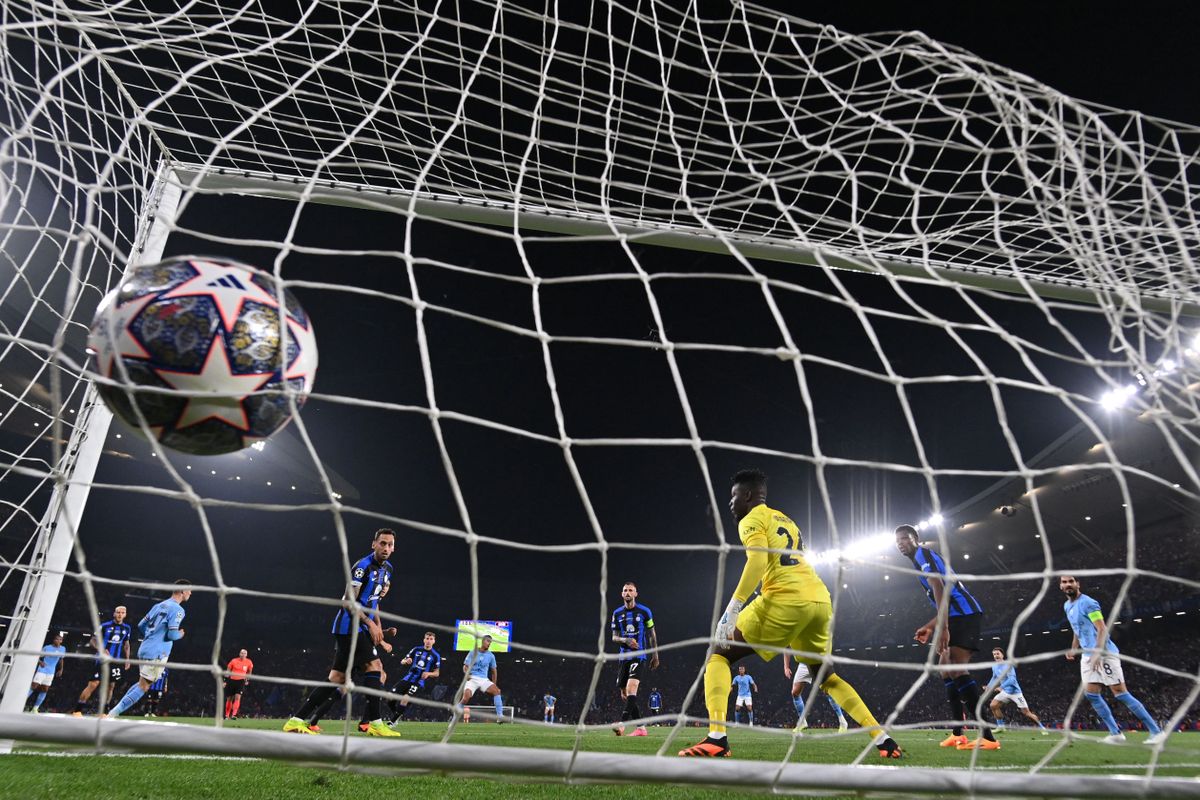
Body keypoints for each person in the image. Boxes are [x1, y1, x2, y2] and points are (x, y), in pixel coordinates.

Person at [682, 469, 900, 758]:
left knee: (718, 653)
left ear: (748, 495)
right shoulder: (785, 520)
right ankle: (883, 739)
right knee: (827, 677)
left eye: (734, 497)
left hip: (785, 599)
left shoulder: (751, 518)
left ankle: (717, 737)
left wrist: (732, 607)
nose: (731, 503)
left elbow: (757, 560)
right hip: (820, 601)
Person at [283, 528, 398, 737]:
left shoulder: (388, 570)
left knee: (337, 678)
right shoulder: (362, 567)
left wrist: (378, 625)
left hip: (362, 627)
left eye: (390, 544)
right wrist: (370, 625)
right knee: (376, 667)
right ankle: (375, 722)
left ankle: (296, 720)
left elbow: (374, 602)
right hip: (349, 626)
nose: (386, 548)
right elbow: (348, 601)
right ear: (374, 544)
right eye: (382, 543)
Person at [895, 525, 998, 751]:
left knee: (957, 669)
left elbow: (939, 586)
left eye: (905, 538)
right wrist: (931, 626)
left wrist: (943, 627)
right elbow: (945, 596)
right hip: (957, 614)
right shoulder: (919, 560)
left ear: (916, 539)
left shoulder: (924, 555)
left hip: (966, 615)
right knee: (945, 669)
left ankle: (988, 736)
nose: (901, 543)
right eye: (898, 540)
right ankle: (958, 733)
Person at [1060, 575, 1166, 745]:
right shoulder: (1067, 606)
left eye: (1071, 581)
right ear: (1061, 586)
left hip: (1105, 653)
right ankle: (1115, 733)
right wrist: (1074, 648)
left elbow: (1102, 629)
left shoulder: (1088, 603)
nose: (1068, 584)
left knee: (1120, 694)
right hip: (1087, 656)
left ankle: (1156, 731)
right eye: (1064, 582)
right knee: (1091, 695)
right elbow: (1076, 629)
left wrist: (1097, 653)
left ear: (1078, 584)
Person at [107, 580, 191, 717]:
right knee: (143, 687)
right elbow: (172, 634)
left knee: (141, 683)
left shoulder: (158, 605)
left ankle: (112, 711)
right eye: (189, 590)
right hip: (158, 652)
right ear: (182, 591)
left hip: (145, 647)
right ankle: (112, 714)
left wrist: (151, 636)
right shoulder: (178, 610)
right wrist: (180, 634)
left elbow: (141, 625)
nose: (190, 593)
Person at [610, 581, 659, 736]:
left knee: (632, 689)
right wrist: (626, 640)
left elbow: (652, 634)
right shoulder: (617, 613)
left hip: (639, 656)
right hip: (623, 657)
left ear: (636, 593)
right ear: (622, 594)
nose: (628, 593)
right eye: (625, 590)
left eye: (631, 590)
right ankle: (641, 728)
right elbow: (614, 637)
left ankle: (622, 724)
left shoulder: (645, 612)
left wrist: (655, 654)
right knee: (625, 695)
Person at [71, 605, 132, 716]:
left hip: (115, 661)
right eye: (118, 612)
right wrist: (102, 649)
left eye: (122, 613)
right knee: (93, 684)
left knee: (110, 686)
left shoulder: (127, 628)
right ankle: (77, 710)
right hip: (101, 660)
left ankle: (104, 712)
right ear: (114, 613)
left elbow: (126, 644)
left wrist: (127, 659)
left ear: (125, 615)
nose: (120, 614)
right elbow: (92, 641)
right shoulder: (104, 626)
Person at [986, 647, 1048, 734]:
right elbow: (994, 677)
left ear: (1002, 655)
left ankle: (1042, 728)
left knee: (1026, 713)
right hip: (1005, 692)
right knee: (993, 705)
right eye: (994, 654)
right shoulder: (994, 666)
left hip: (1015, 692)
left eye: (997, 654)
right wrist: (989, 686)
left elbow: (1012, 680)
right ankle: (1001, 727)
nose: (996, 656)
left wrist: (1002, 686)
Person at [783, 652, 848, 733]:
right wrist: (786, 667)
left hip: (818, 662)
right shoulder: (792, 639)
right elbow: (786, 649)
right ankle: (802, 722)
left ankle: (842, 722)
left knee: (827, 691)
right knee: (795, 693)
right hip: (804, 663)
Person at [387, 631, 442, 725]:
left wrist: (428, 674)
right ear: (424, 640)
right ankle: (396, 715)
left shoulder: (435, 655)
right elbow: (402, 661)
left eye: (431, 639)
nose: (428, 641)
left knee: (405, 698)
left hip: (419, 682)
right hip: (407, 678)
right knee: (389, 698)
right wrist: (406, 661)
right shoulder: (416, 649)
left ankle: (392, 721)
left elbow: (437, 673)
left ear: (434, 641)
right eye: (427, 638)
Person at [459, 635, 505, 722]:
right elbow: (465, 666)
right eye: (488, 641)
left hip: (484, 679)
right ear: (483, 641)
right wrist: (466, 675)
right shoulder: (473, 652)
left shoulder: (491, 656)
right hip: (472, 678)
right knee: (466, 697)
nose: (489, 644)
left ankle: (500, 716)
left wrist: (494, 684)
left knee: (497, 691)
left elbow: (494, 671)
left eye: (490, 642)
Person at [27, 632, 66, 713]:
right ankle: (19, 703)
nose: (57, 640)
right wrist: (40, 662)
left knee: (44, 690)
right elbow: (37, 656)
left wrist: (61, 669)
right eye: (56, 639)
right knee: (33, 686)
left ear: (61, 641)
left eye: (59, 639)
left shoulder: (63, 649)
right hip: (42, 670)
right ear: (53, 640)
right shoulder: (47, 647)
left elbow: (61, 659)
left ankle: (35, 709)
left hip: (51, 672)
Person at [224, 648, 254, 720]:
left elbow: (249, 672)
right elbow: (228, 671)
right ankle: (227, 715)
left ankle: (234, 715)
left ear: (246, 655)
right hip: (232, 680)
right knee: (229, 699)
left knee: (237, 697)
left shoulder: (249, 662)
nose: (243, 655)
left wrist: (247, 679)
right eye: (241, 653)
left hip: (241, 681)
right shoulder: (233, 661)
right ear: (239, 654)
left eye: (244, 653)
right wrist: (225, 681)